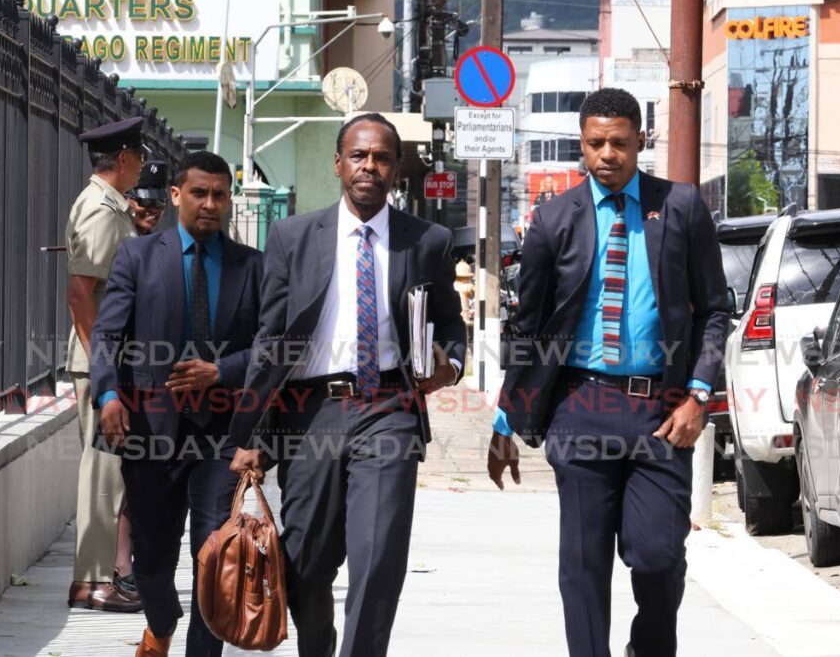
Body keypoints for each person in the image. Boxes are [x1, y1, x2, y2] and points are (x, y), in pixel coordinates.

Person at [489, 88, 728, 657]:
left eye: (619, 143)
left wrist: (699, 394)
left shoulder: (682, 207)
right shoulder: (553, 220)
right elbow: (529, 327)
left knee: (658, 557)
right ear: (582, 143)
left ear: (640, 142)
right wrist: (506, 419)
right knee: (582, 565)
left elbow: (715, 309)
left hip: (661, 410)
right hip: (580, 404)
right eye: (595, 143)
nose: (607, 155)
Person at [228, 113, 467, 657]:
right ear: (338, 163)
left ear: (396, 170)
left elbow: (451, 325)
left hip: (390, 406)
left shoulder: (427, 241)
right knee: (306, 559)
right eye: (359, 156)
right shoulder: (292, 237)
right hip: (310, 412)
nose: (369, 167)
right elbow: (270, 341)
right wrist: (254, 436)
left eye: (382, 158)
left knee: (379, 554)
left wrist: (446, 367)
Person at [89, 151, 264, 657]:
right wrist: (106, 395)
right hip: (149, 428)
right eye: (199, 193)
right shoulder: (137, 257)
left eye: (220, 195)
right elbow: (107, 335)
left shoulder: (250, 266)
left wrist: (222, 371)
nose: (210, 204)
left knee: (212, 556)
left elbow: (270, 348)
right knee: (150, 559)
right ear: (174, 196)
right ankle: (161, 625)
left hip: (221, 433)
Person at [65, 116, 146, 613]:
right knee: (102, 473)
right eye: (138, 156)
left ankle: (99, 578)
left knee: (111, 472)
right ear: (122, 159)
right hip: (101, 363)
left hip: (107, 359)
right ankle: (92, 582)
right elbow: (80, 294)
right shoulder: (99, 208)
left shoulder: (111, 205)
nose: (141, 164)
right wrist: (103, 370)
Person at [128, 160, 170, 235]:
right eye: (145, 201)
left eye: (160, 202)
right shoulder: (117, 237)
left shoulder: (158, 242)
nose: (154, 210)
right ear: (126, 199)